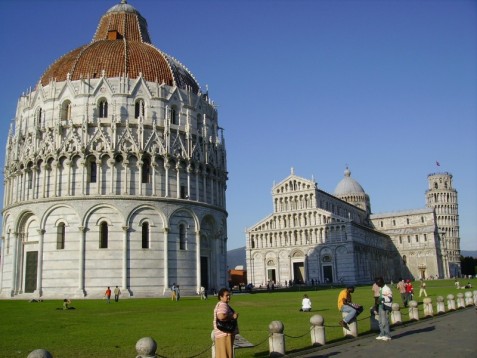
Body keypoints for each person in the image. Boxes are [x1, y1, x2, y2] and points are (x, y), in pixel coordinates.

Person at [213, 288, 239, 358]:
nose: (228, 297)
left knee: (221, 355)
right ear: (221, 297)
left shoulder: (219, 304)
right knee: (226, 355)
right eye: (226, 295)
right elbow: (221, 316)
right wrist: (232, 316)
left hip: (220, 334)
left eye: (229, 295)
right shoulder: (223, 305)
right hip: (225, 334)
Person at [375, 277, 392, 341]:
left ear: (381, 282)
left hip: (385, 305)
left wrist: (382, 300)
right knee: (380, 321)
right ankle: (382, 333)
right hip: (380, 306)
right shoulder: (381, 288)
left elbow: (390, 298)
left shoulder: (387, 289)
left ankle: (387, 335)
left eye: (377, 283)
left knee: (385, 320)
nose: (377, 284)